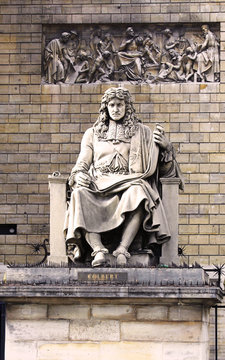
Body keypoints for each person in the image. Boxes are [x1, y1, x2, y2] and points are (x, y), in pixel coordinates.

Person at [64, 87, 183, 267]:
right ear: (105, 108)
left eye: (120, 104)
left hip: (130, 182)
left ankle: (122, 249)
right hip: (99, 185)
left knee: (139, 191)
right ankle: (98, 250)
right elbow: (82, 164)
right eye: (111, 105)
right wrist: (79, 174)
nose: (116, 108)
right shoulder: (92, 134)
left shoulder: (142, 133)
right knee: (78, 194)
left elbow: (165, 171)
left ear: (127, 107)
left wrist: (166, 148)